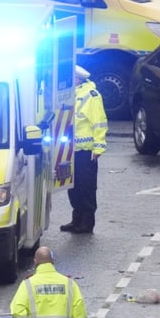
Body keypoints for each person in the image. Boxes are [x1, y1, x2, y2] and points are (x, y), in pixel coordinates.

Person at [61, 65, 107, 234]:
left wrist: (98, 147)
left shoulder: (91, 95)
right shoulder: (70, 94)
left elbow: (99, 122)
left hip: (86, 151)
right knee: (73, 187)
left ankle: (87, 223)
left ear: (77, 79)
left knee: (86, 188)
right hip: (70, 151)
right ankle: (76, 219)